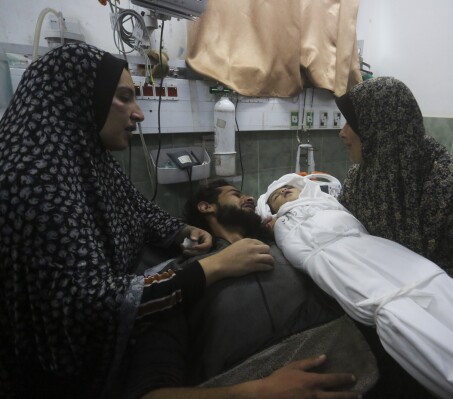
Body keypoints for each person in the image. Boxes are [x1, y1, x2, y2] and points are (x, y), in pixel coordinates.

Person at [0, 43, 359, 399]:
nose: (139, 113)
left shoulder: (89, 162)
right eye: (124, 97)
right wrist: (209, 269)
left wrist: (182, 230)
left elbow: (139, 209)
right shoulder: (33, 177)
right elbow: (86, 309)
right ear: (74, 99)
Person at [257, 173, 453, 399]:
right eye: (276, 196)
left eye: (288, 188)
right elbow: (300, 247)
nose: (283, 192)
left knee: (439, 291)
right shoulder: (283, 224)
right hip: (346, 266)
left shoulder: (328, 204)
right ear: (269, 211)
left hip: (386, 254)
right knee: (405, 316)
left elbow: (347, 223)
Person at [117, 179, 377, 398]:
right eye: (236, 194)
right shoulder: (178, 280)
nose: (250, 197)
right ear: (206, 207)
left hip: (353, 365)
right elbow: (151, 393)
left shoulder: (289, 245)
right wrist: (258, 391)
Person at [335, 76, 453, 330]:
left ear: (381, 130)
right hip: (377, 315)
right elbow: (343, 230)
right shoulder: (360, 178)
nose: (342, 133)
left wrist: (411, 286)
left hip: (442, 327)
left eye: (352, 123)